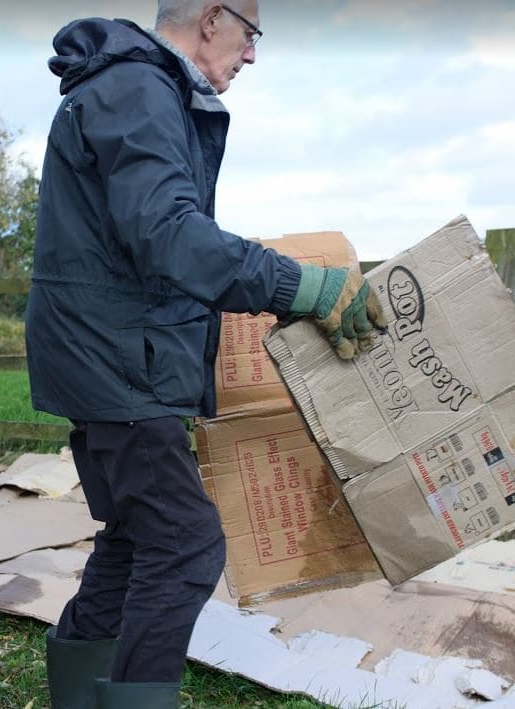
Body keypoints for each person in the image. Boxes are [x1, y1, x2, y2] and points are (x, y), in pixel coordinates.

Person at [25, 2, 386, 707]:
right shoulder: (137, 88)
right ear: (214, 18)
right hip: (117, 361)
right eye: (251, 35)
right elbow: (169, 236)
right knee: (187, 543)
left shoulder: (130, 85)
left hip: (108, 353)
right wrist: (301, 286)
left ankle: (78, 696)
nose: (251, 55)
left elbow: (154, 235)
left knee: (134, 536)